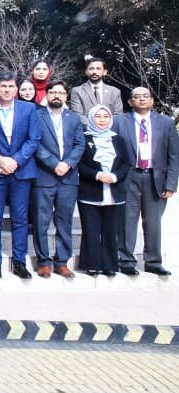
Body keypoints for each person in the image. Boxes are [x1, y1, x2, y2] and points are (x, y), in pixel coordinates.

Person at [0, 70, 42, 279]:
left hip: (21, 171)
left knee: (20, 219)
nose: (7, 90)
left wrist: (15, 161)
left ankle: (19, 262)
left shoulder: (29, 109)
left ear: (16, 89)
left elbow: (34, 140)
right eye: (3, 86)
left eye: (11, 86)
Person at [116, 86, 179, 276]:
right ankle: (126, 260)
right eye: (137, 96)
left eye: (145, 96)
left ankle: (153, 262)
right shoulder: (119, 121)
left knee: (153, 222)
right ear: (130, 102)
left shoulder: (166, 123)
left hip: (155, 179)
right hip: (129, 178)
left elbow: (174, 155)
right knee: (127, 221)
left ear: (152, 100)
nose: (142, 99)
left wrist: (171, 183)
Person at [32, 80, 86, 278]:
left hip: (68, 178)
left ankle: (62, 262)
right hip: (44, 176)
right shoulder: (36, 116)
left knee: (64, 221)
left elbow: (80, 144)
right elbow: (35, 143)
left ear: (66, 96)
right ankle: (43, 262)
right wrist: (54, 163)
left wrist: (68, 164)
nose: (56, 95)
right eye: (53, 92)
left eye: (61, 93)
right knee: (41, 221)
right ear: (46, 94)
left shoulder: (74, 118)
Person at [77, 106, 133, 277]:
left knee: (111, 230)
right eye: (98, 116)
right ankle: (91, 264)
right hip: (90, 191)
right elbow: (79, 164)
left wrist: (115, 176)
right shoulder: (83, 138)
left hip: (115, 192)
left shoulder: (119, 139)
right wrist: (97, 175)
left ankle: (110, 265)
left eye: (106, 116)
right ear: (91, 118)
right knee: (91, 230)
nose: (102, 120)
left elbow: (126, 163)